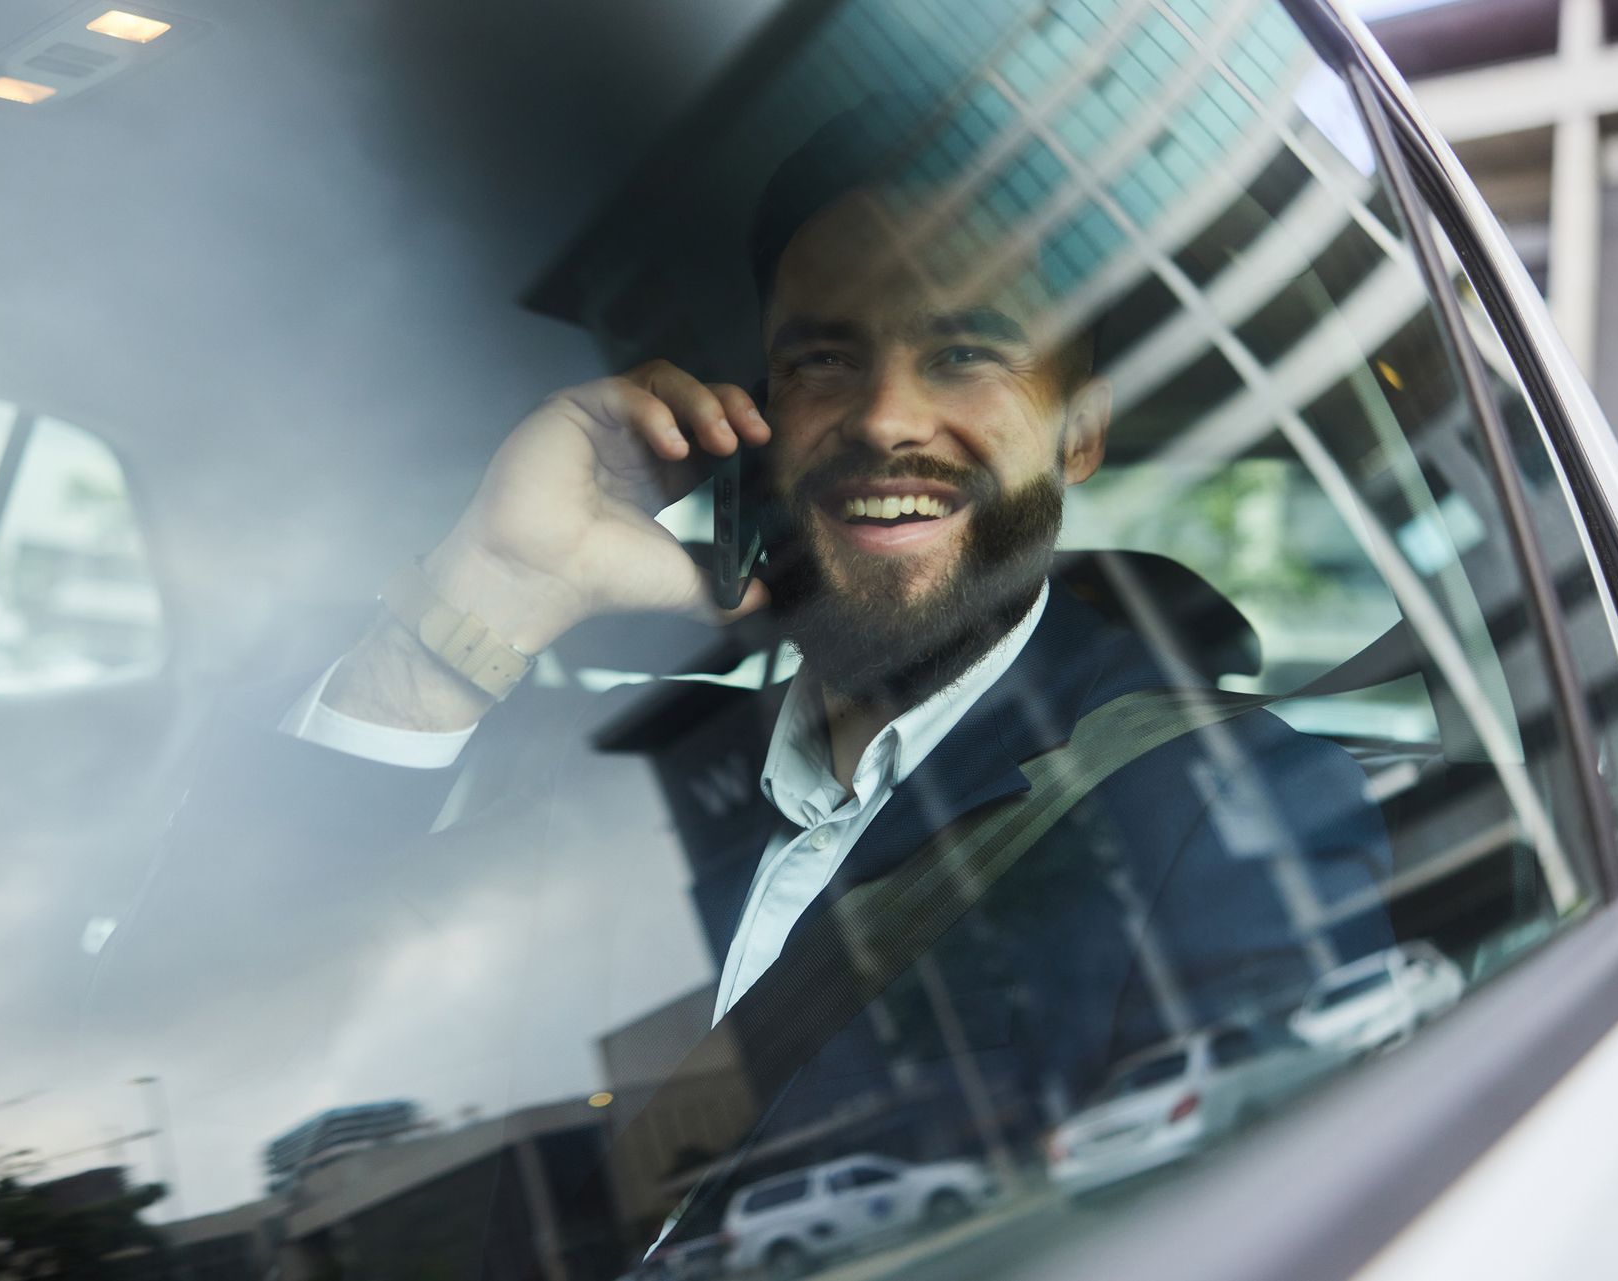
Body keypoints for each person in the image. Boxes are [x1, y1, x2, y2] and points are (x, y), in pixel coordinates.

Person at [118, 108, 1391, 1272]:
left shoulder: (1221, 800)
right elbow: (180, 1028)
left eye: (965, 352)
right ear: (762, 415)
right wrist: (494, 585)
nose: (886, 416)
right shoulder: (627, 781)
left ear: (1083, 423)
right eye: (824, 360)